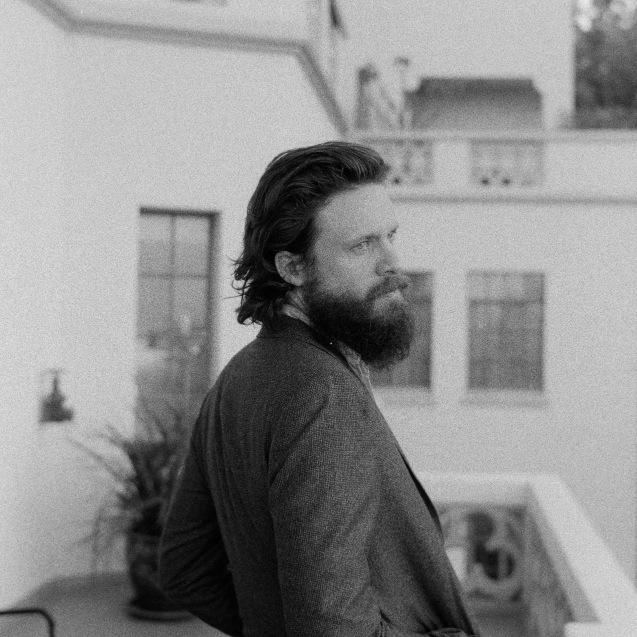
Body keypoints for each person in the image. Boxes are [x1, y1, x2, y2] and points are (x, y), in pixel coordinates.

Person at [159, 141, 479, 637]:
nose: (394, 264)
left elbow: (185, 570)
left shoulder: (236, 377)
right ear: (293, 268)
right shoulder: (323, 397)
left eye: (390, 236)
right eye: (362, 245)